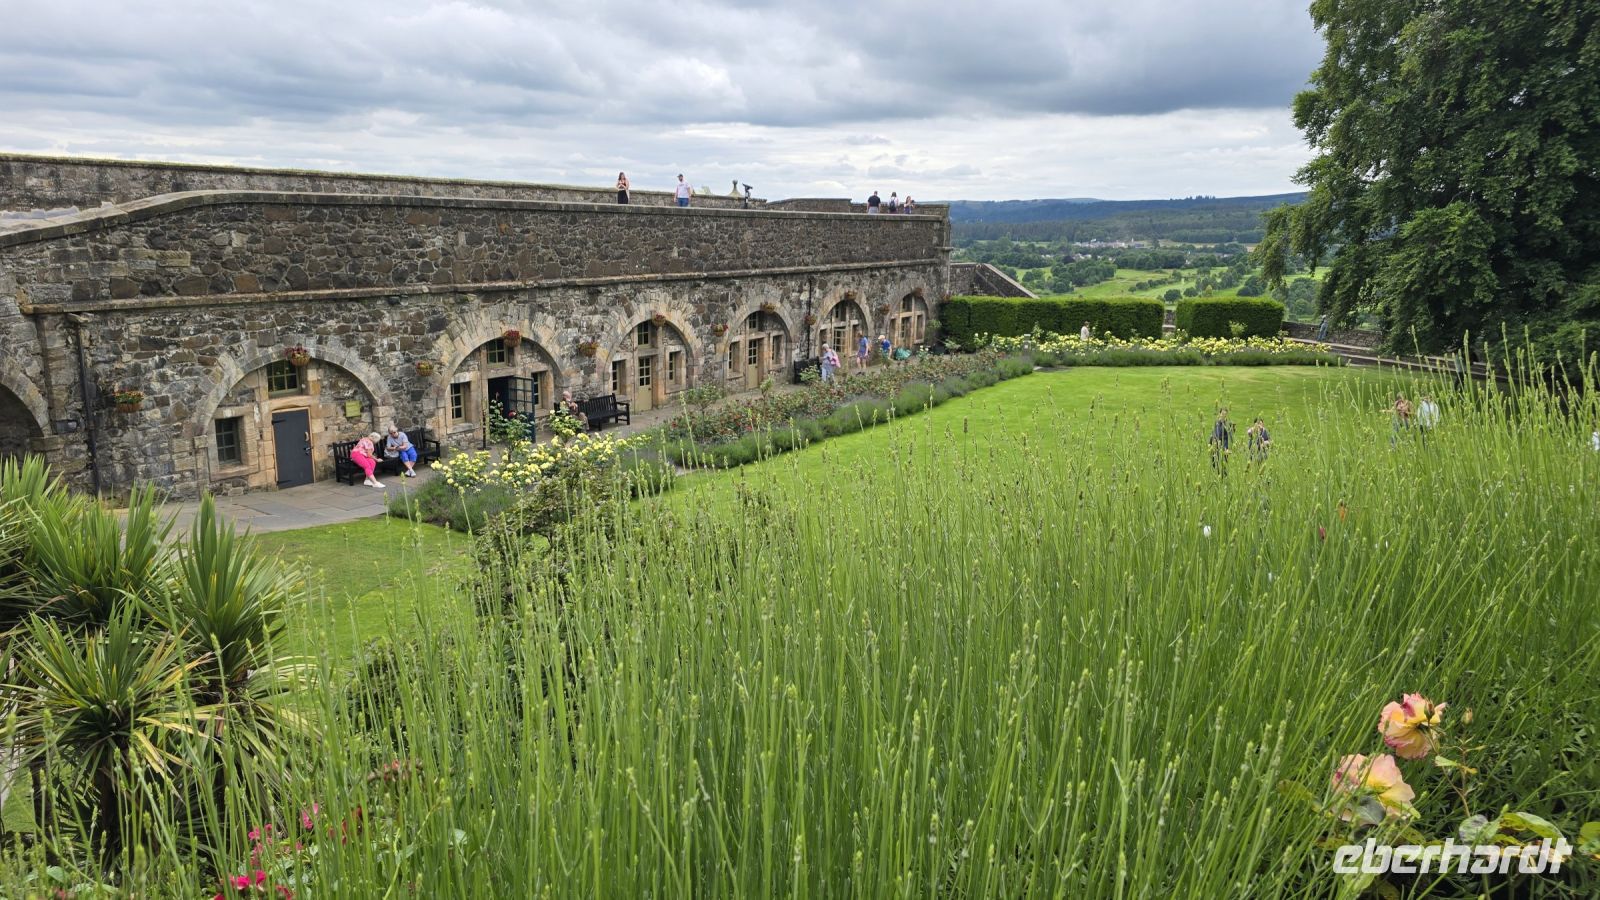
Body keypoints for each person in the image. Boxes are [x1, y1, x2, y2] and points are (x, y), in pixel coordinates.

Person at [1209, 408, 1234, 472]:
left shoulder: (1228, 424)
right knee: (1214, 463)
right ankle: (1217, 476)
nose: (1224, 415)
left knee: (1224, 464)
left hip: (1224, 446)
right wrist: (1210, 443)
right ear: (1220, 414)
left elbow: (1231, 436)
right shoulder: (1216, 423)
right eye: (1222, 414)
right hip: (1215, 445)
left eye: (1225, 414)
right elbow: (1213, 433)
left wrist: (1230, 447)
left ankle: (1224, 478)